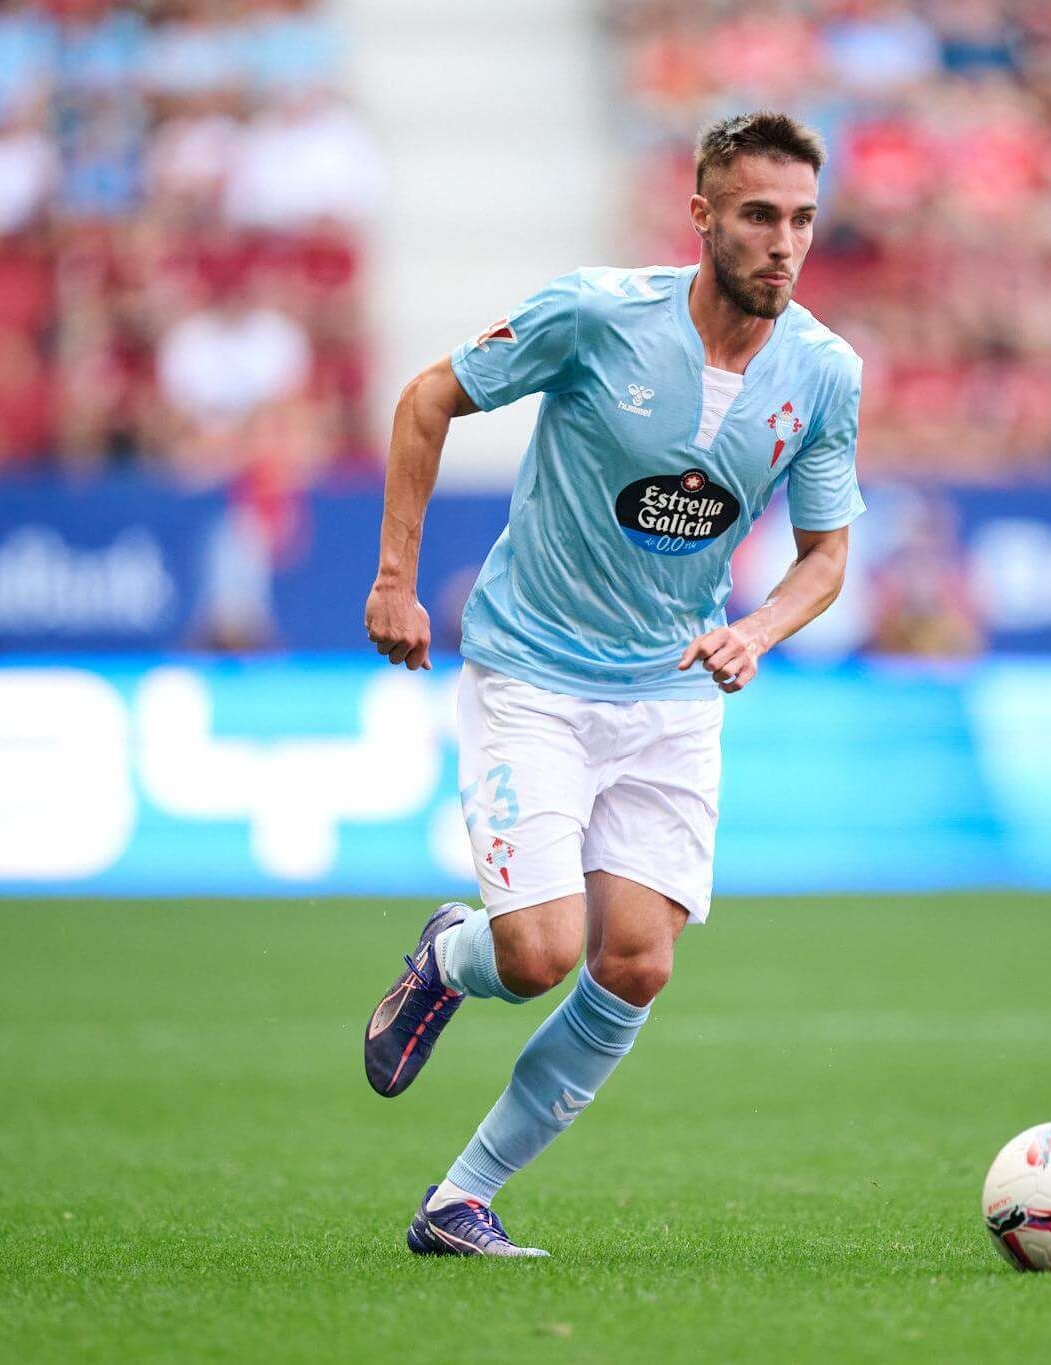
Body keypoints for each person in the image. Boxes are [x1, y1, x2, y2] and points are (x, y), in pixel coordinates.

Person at [361, 111, 863, 1258]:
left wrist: (759, 630)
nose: (782, 243)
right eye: (756, 217)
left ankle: (459, 1200)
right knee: (535, 956)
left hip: (672, 694)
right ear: (700, 217)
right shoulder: (594, 314)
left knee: (633, 962)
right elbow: (427, 397)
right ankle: (449, 954)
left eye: (799, 220)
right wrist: (395, 578)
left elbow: (823, 555)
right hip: (532, 670)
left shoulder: (824, 375)